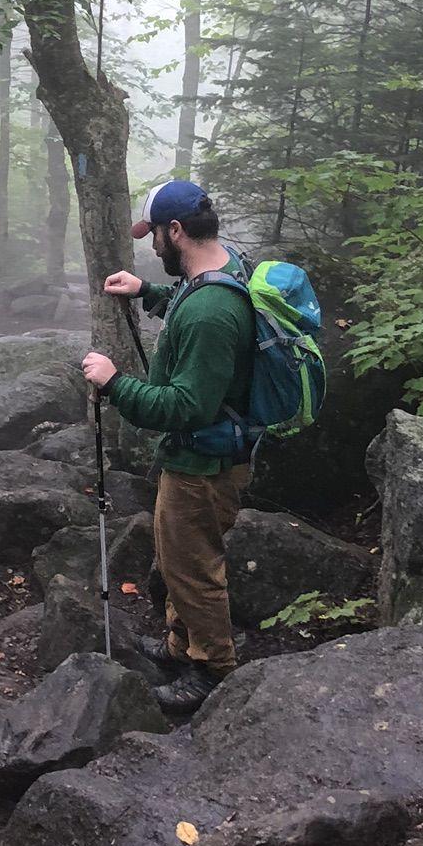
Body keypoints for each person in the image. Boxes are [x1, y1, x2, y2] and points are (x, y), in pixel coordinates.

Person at [81, 179, 254, 715]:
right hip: (205, 455)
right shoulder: (225, 269)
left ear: (175, 231)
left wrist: (114, 383)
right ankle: (183, 647)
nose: (152, 246)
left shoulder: (211, 312)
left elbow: (186, 406)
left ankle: (211, 670)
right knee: (178, 559)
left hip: (203, 462)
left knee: (193, 567)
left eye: (155, 235)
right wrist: (147, 294)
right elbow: (190, 310)